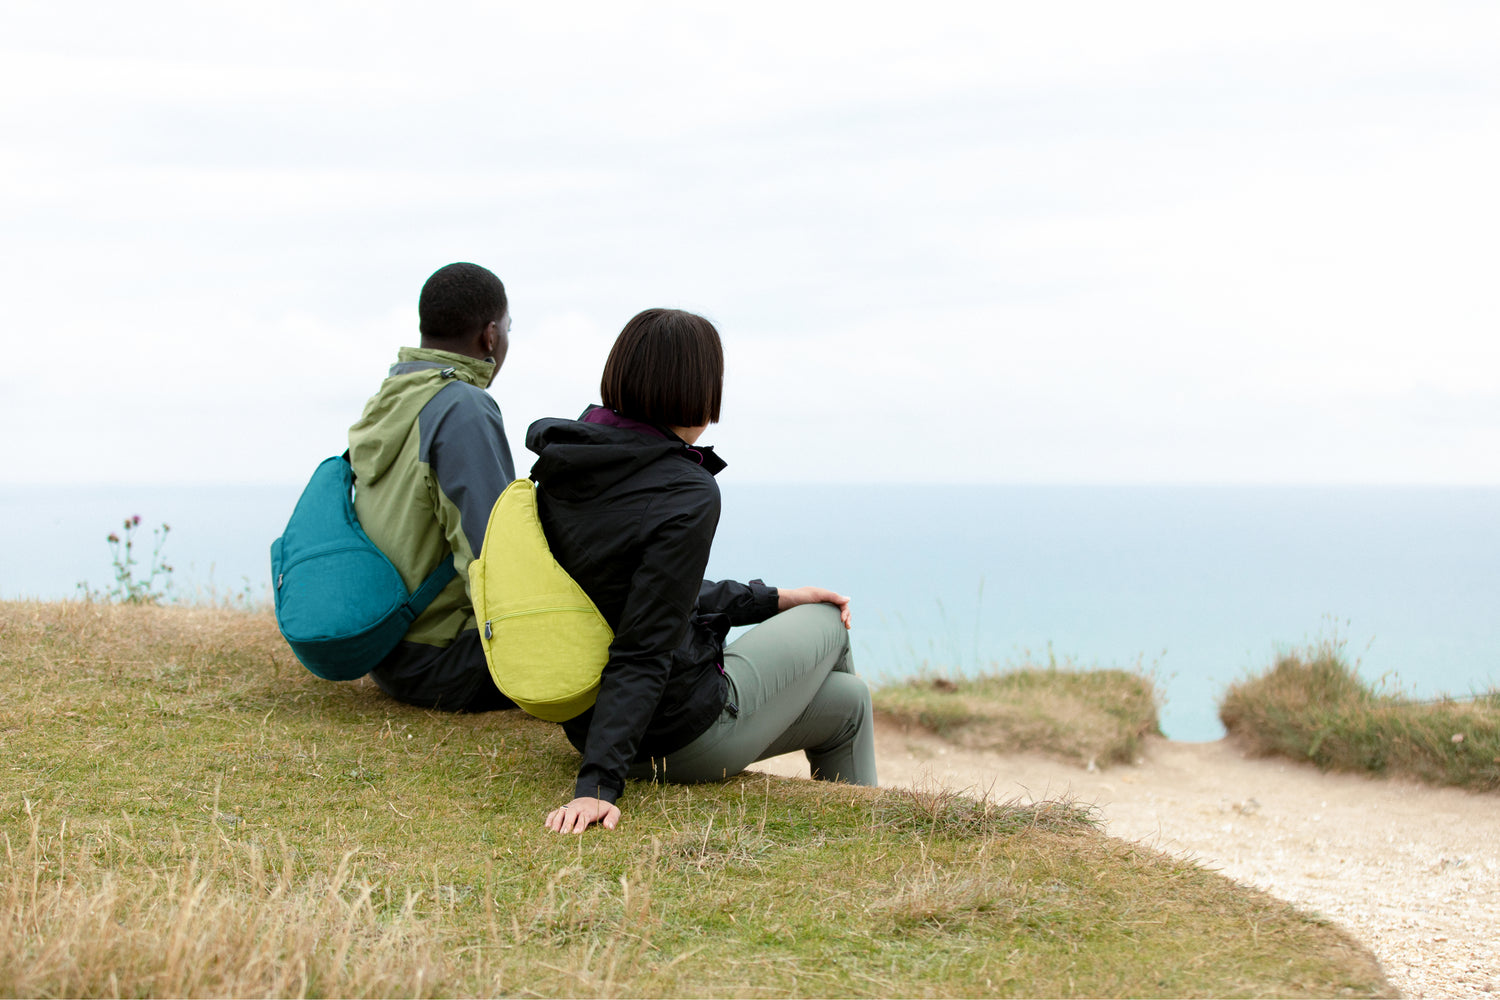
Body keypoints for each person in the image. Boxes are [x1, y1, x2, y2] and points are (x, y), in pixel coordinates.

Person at [526, 307, 877, 834]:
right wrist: (597, 786)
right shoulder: (683, 489)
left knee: (849, 702)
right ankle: (866, 833)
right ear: (699, 390)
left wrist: (774, 598)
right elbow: (644, 645)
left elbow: (634, 594)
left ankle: (863, 838)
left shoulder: (569, 461)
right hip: (677, 735)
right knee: (832, 620)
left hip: (592, 720)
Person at [347, 262, 518, 712]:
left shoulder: (394, 396)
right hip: (445, 661)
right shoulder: (463, 409)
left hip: (389, 651)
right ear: (491, 336)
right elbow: (494, 557)